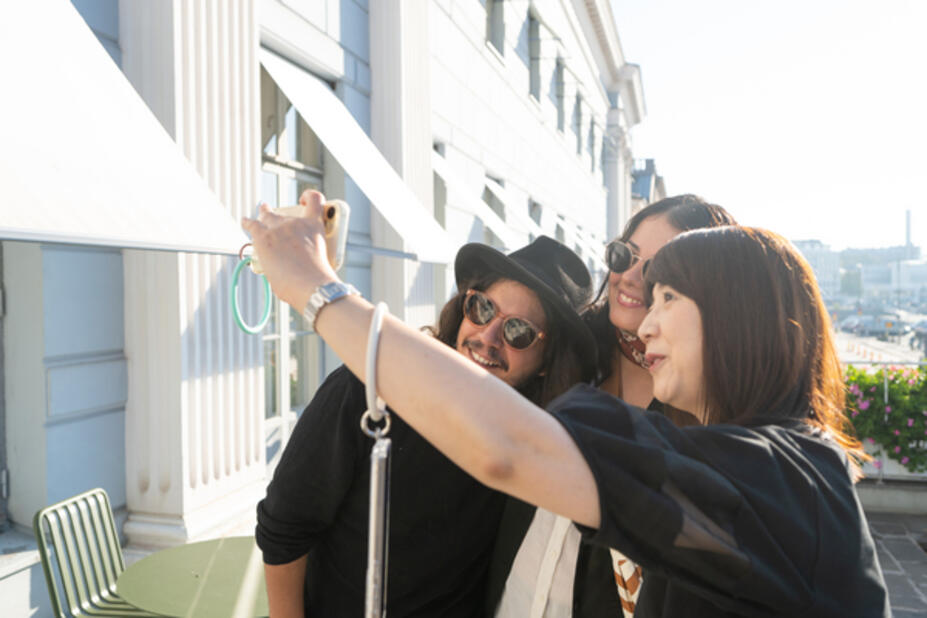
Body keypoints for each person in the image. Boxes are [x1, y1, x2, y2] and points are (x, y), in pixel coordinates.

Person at [244, 192, 890, 617]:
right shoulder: (744, 460)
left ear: (737, 319)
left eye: (667, 296)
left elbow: (509, 447)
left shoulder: (779, 477)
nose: (645, 319)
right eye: (629, 267)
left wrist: (314, 287)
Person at [255, 234, 597, 618]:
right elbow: (285, 524)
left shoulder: (533, 446)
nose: (487, 337)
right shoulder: (370, 389)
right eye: (482, 309)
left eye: (518, 332)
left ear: (548, 361)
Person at [486, 195, 738, 618]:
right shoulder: (563, 345)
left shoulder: (707, 408)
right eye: (626, 255)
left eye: (659, 268)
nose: (630, 277)